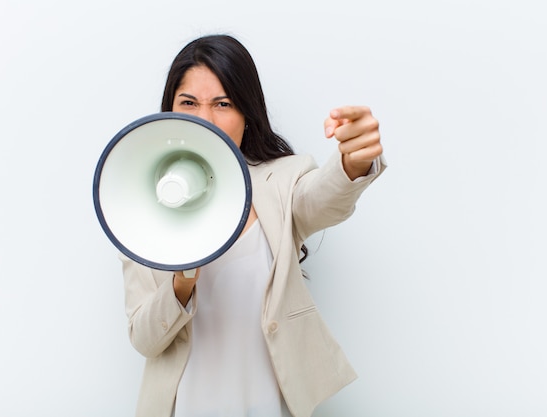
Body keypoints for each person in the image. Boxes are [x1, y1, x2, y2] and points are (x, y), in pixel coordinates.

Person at [120, 34, 386, 417]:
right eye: (189, 102)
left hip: (264, 404)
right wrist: (181, 283)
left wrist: (353, 161)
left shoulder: (283, 180)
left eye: (223, 104)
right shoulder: (138, 208)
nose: (205, 120)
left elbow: (323, 199)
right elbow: (144, 340)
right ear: (169, 111)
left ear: (247, 113)